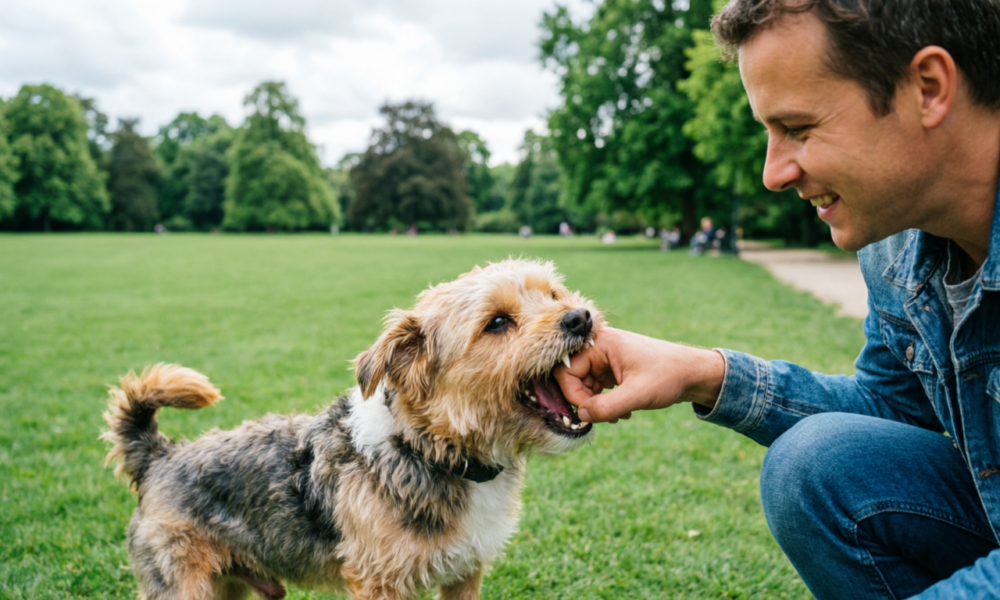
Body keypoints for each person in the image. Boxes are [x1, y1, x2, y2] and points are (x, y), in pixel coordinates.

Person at [554, 0, 1000, 598]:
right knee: (814, 464)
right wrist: (703, 374)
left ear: (927, 88)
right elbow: (894, 410)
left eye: (797, 128)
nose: (772, 173)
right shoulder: (895, 249)